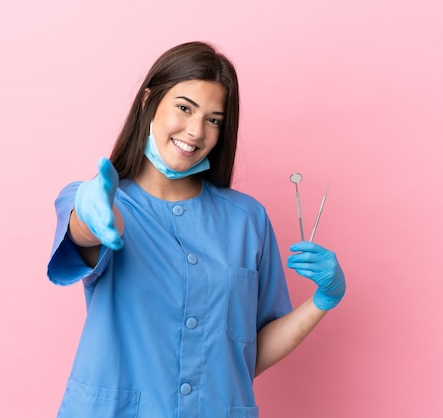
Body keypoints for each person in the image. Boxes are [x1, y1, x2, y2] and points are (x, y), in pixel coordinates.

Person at [47, 41, 346, 418]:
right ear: (148, 103)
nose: (195, 131)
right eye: (184, 108)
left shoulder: (246, 220)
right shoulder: (100, 201)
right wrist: (92, 216)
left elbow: (247, 352)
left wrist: (324, 300)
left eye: (213, 119)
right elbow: (86, 232)